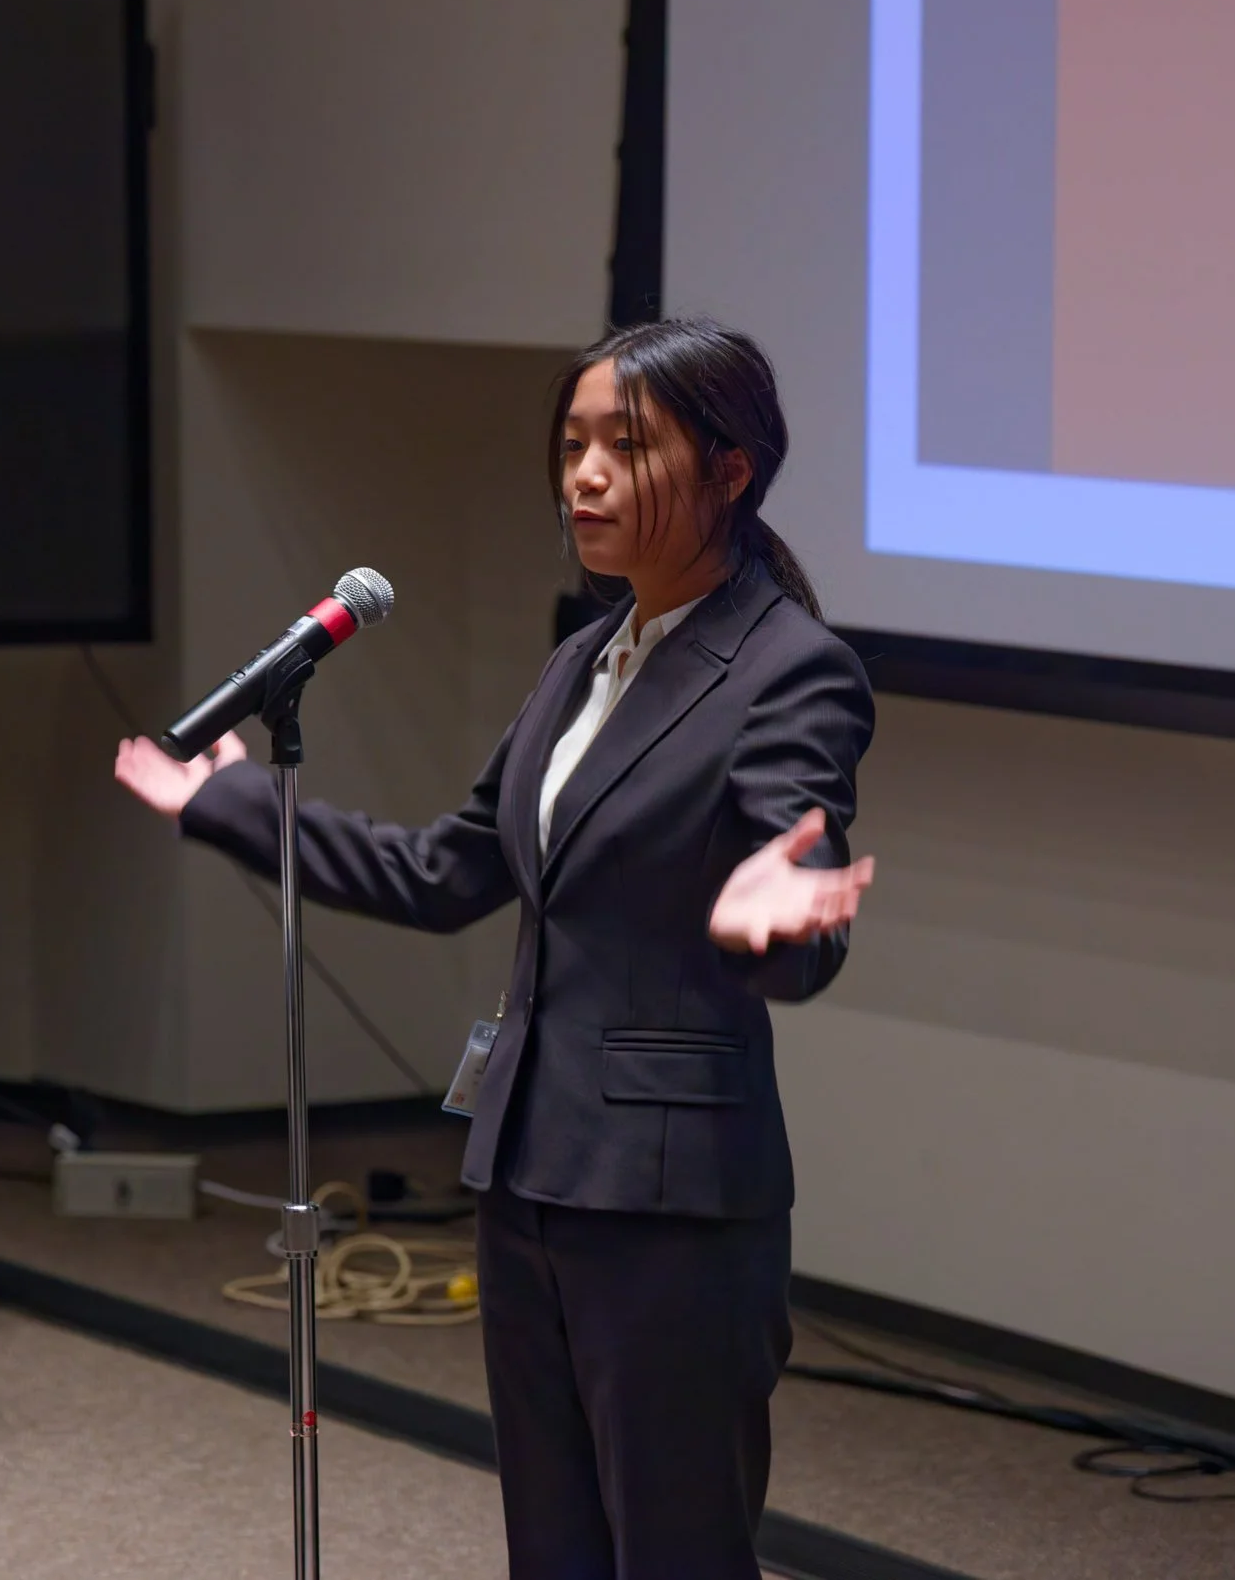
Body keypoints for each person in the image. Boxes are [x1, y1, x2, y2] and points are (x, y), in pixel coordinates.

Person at [113, 318, 878, 1577]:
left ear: (731, 470)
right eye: (570, 444)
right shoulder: (584, 658)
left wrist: (775, 908)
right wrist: (228, 802)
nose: (581, 475)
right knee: (554, 1546)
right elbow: (444, 871)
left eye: (624, 446)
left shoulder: (792, 668)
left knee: (678, 1548)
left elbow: (791, 875)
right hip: (527, 1173)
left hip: (671, 1199)